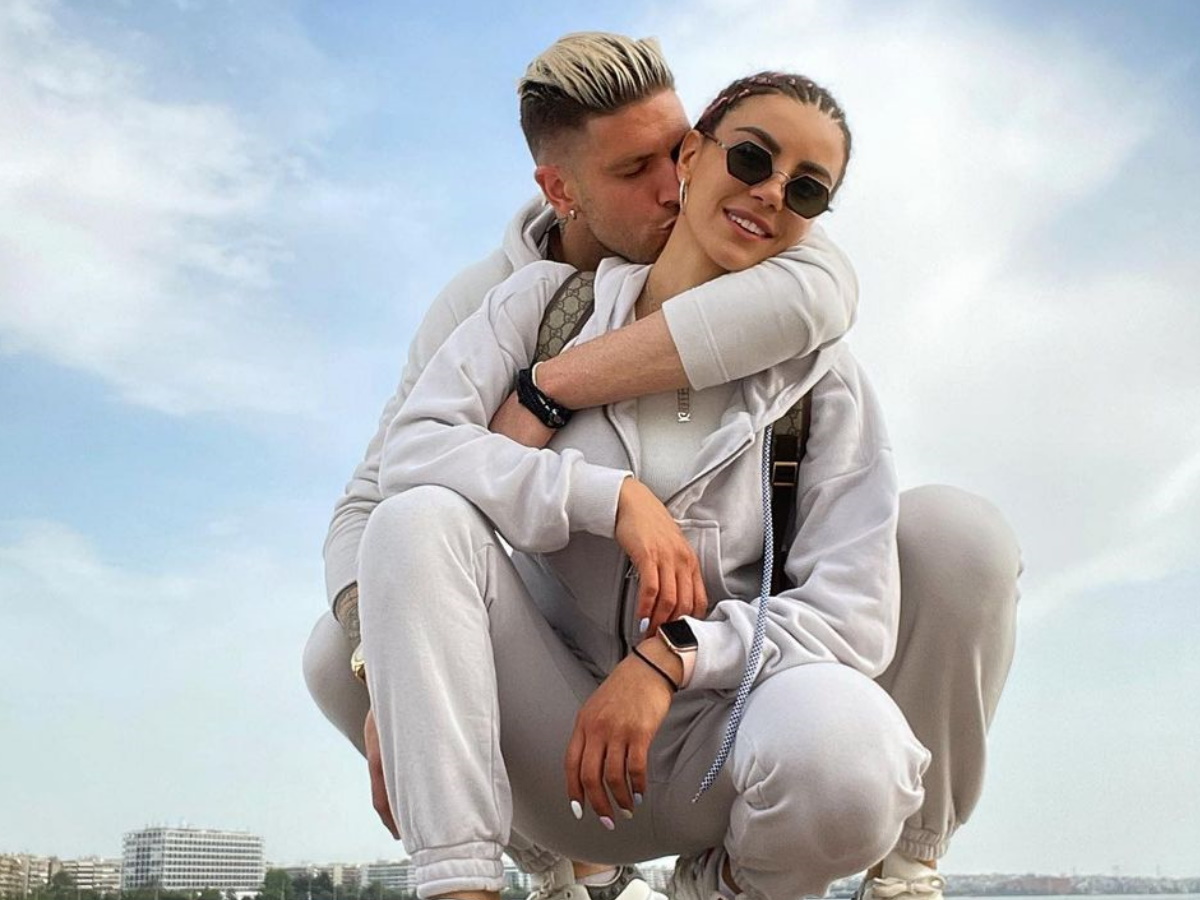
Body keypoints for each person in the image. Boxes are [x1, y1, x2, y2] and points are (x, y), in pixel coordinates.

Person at [306, 33, 1020, 900]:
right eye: (748, 158)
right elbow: (401, 469)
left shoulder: (820, 360)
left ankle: (739, 886)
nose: (767, 191)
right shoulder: (519, 302)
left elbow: (851, 615)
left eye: (806, 190)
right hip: (554, 732)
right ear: (564, 190)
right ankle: (519, 879)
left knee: (854, 746)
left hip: (718, 730)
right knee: (403, 540)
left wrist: (674, 655)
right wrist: (607, 500)